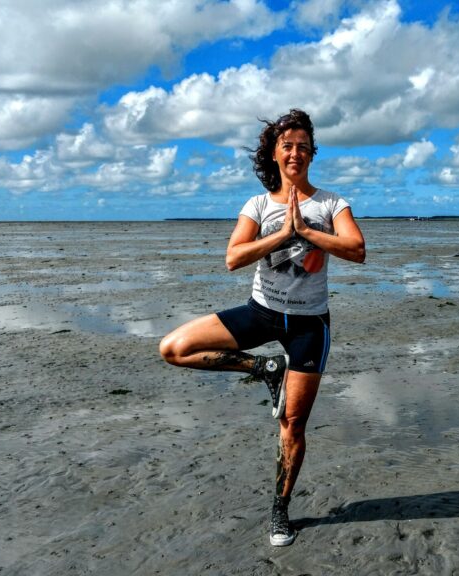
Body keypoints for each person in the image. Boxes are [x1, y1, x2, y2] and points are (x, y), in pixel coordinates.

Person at [158, 109, 366, 546]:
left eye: (303, 146)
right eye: (286, 145)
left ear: (312, 154)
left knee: (292, 424)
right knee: (174, 348)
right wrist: (283, 233)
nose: (295, 152)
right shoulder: (257, 205)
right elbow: (234, 258)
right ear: (274, 154)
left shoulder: (331, 203)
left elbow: (356, 248)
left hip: (309, 325)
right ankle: (264, 369)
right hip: (261, 312)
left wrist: (307, 231)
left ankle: (280, 510)